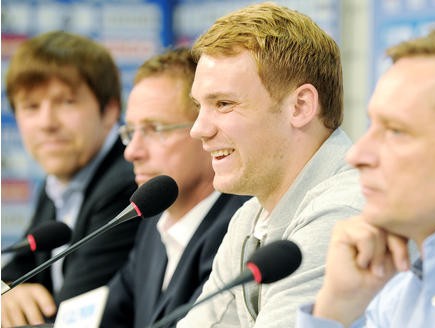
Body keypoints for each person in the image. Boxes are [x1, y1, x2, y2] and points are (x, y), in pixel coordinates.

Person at [177, 3, 364, 327]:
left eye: (223, 104)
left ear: (300, 106)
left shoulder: (343, 213)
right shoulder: (249, 218)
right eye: (199, 106)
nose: (198, 129)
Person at [296, 25, 435, 327]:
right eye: (372, 125)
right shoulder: (402, 289)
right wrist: (336, 308)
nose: (356, 155)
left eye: (396, 132)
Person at [100, 48, 249, 328]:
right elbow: (106, 317)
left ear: (207, 130)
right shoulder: (154, 222)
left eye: (155, 129)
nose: (132, 152)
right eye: (130, 132)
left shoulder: (238, 230)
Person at [1, 31, 141, 327]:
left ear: (110, 111)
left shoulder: (126, 184)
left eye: (65, 102)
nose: (47, 123)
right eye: (31, 107)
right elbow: (17, 271)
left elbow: (73, 317)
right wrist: (8, 294)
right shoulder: (58, 182)